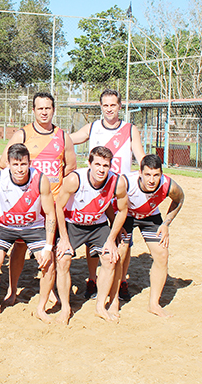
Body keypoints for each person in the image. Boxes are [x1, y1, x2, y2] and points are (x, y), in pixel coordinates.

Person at [0, 92, 76, 305]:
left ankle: (48, 290)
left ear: (53, 110)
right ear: (33, 110)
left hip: (54, 204)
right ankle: (12, 290)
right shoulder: (23, 134)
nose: (44, 112)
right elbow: (5, 163)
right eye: (40, 108)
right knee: (20, 246)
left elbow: (70, 168)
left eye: (48, 108)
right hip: (28, 203)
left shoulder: (62, 137)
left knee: (49, 248)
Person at [70, 89, 145, 300]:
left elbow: (140, 156)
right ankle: (92, 280)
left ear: (120, 106)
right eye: (105, 105)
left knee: (124, 239)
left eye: (113, 105)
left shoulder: (130, 129)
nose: (109, 109)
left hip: (121, 191)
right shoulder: (92, 127)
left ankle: (122, 281)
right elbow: (69, 139)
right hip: (98, 192)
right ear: (100, 106)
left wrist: (149, 174)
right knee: (94, 238)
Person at [0, 144, 56, 322]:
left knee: (48, 265)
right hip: (5, 228)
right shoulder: (0, 176)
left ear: (29, 163)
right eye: (15, 165)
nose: (20, 169)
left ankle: (41, 309)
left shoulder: (40, 179)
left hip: (33, 228)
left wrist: (49, 247)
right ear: (9, 164)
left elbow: (50, 214)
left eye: (23, 164)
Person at [55, 146, 128, 324]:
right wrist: (63, 238)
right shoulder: (75, 179)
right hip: (73, 224)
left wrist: (112, 238)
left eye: (105, 165)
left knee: (110, 258)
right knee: (63, 259)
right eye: (97, 164)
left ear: (110, 166)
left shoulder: (117, 183)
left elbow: (123, 210)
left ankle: (100, 306)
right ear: (89, 164)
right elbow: (58, 206)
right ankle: (65, 308)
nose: (101, 169)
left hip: (98, 225)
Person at [116, 154, 184, 317]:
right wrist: (116, 227)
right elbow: (110, 202)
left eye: (156, 175)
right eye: (147, 174)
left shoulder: (168, 185)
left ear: (161, 174)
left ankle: (154, 304)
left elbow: (179, 199)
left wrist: (166, 223)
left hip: (150, 215)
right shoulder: (126, 182)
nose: (152, 180)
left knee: (162, 254)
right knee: (121, 252)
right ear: (140, 172)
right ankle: (114, 299)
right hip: (126, 214)